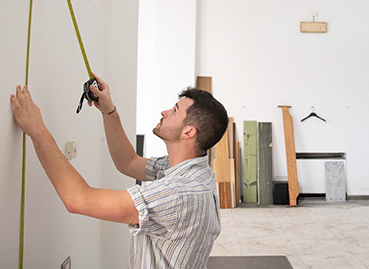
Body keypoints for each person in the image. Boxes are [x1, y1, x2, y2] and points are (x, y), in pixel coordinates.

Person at [10, 73, 229, 269]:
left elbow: (77, 199)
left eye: (174, 111)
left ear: (188, 132)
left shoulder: (178, 193)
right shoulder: (193, 170)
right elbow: (128, 162)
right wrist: (109, 111)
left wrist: (37, 130)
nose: (164, 112)